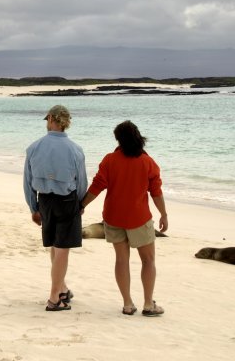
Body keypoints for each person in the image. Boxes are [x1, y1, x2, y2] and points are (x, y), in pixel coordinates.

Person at [81, 120, 168, 317]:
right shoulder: (148, 162)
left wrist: (82, 205)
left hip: (113, 217)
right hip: (139, 218)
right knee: (148, 260)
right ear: (138, 137)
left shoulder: (110, 160)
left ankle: (128, 304)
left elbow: (97, 186)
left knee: (121, 260)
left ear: (118, 139)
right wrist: (163, 214)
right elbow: (156, 192)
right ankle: (148, 304)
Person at [23, 105, 88, 311]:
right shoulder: (75, 150)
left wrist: (33, 207)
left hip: (44, 201)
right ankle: (54, 297)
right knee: (61, 250)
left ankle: (62, 288)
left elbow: (27, 181)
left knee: (54, 246)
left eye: (47, 120)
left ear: (51, 119)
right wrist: (80, 204)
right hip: (66, 201)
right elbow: (82, 183)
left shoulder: (34, 147)